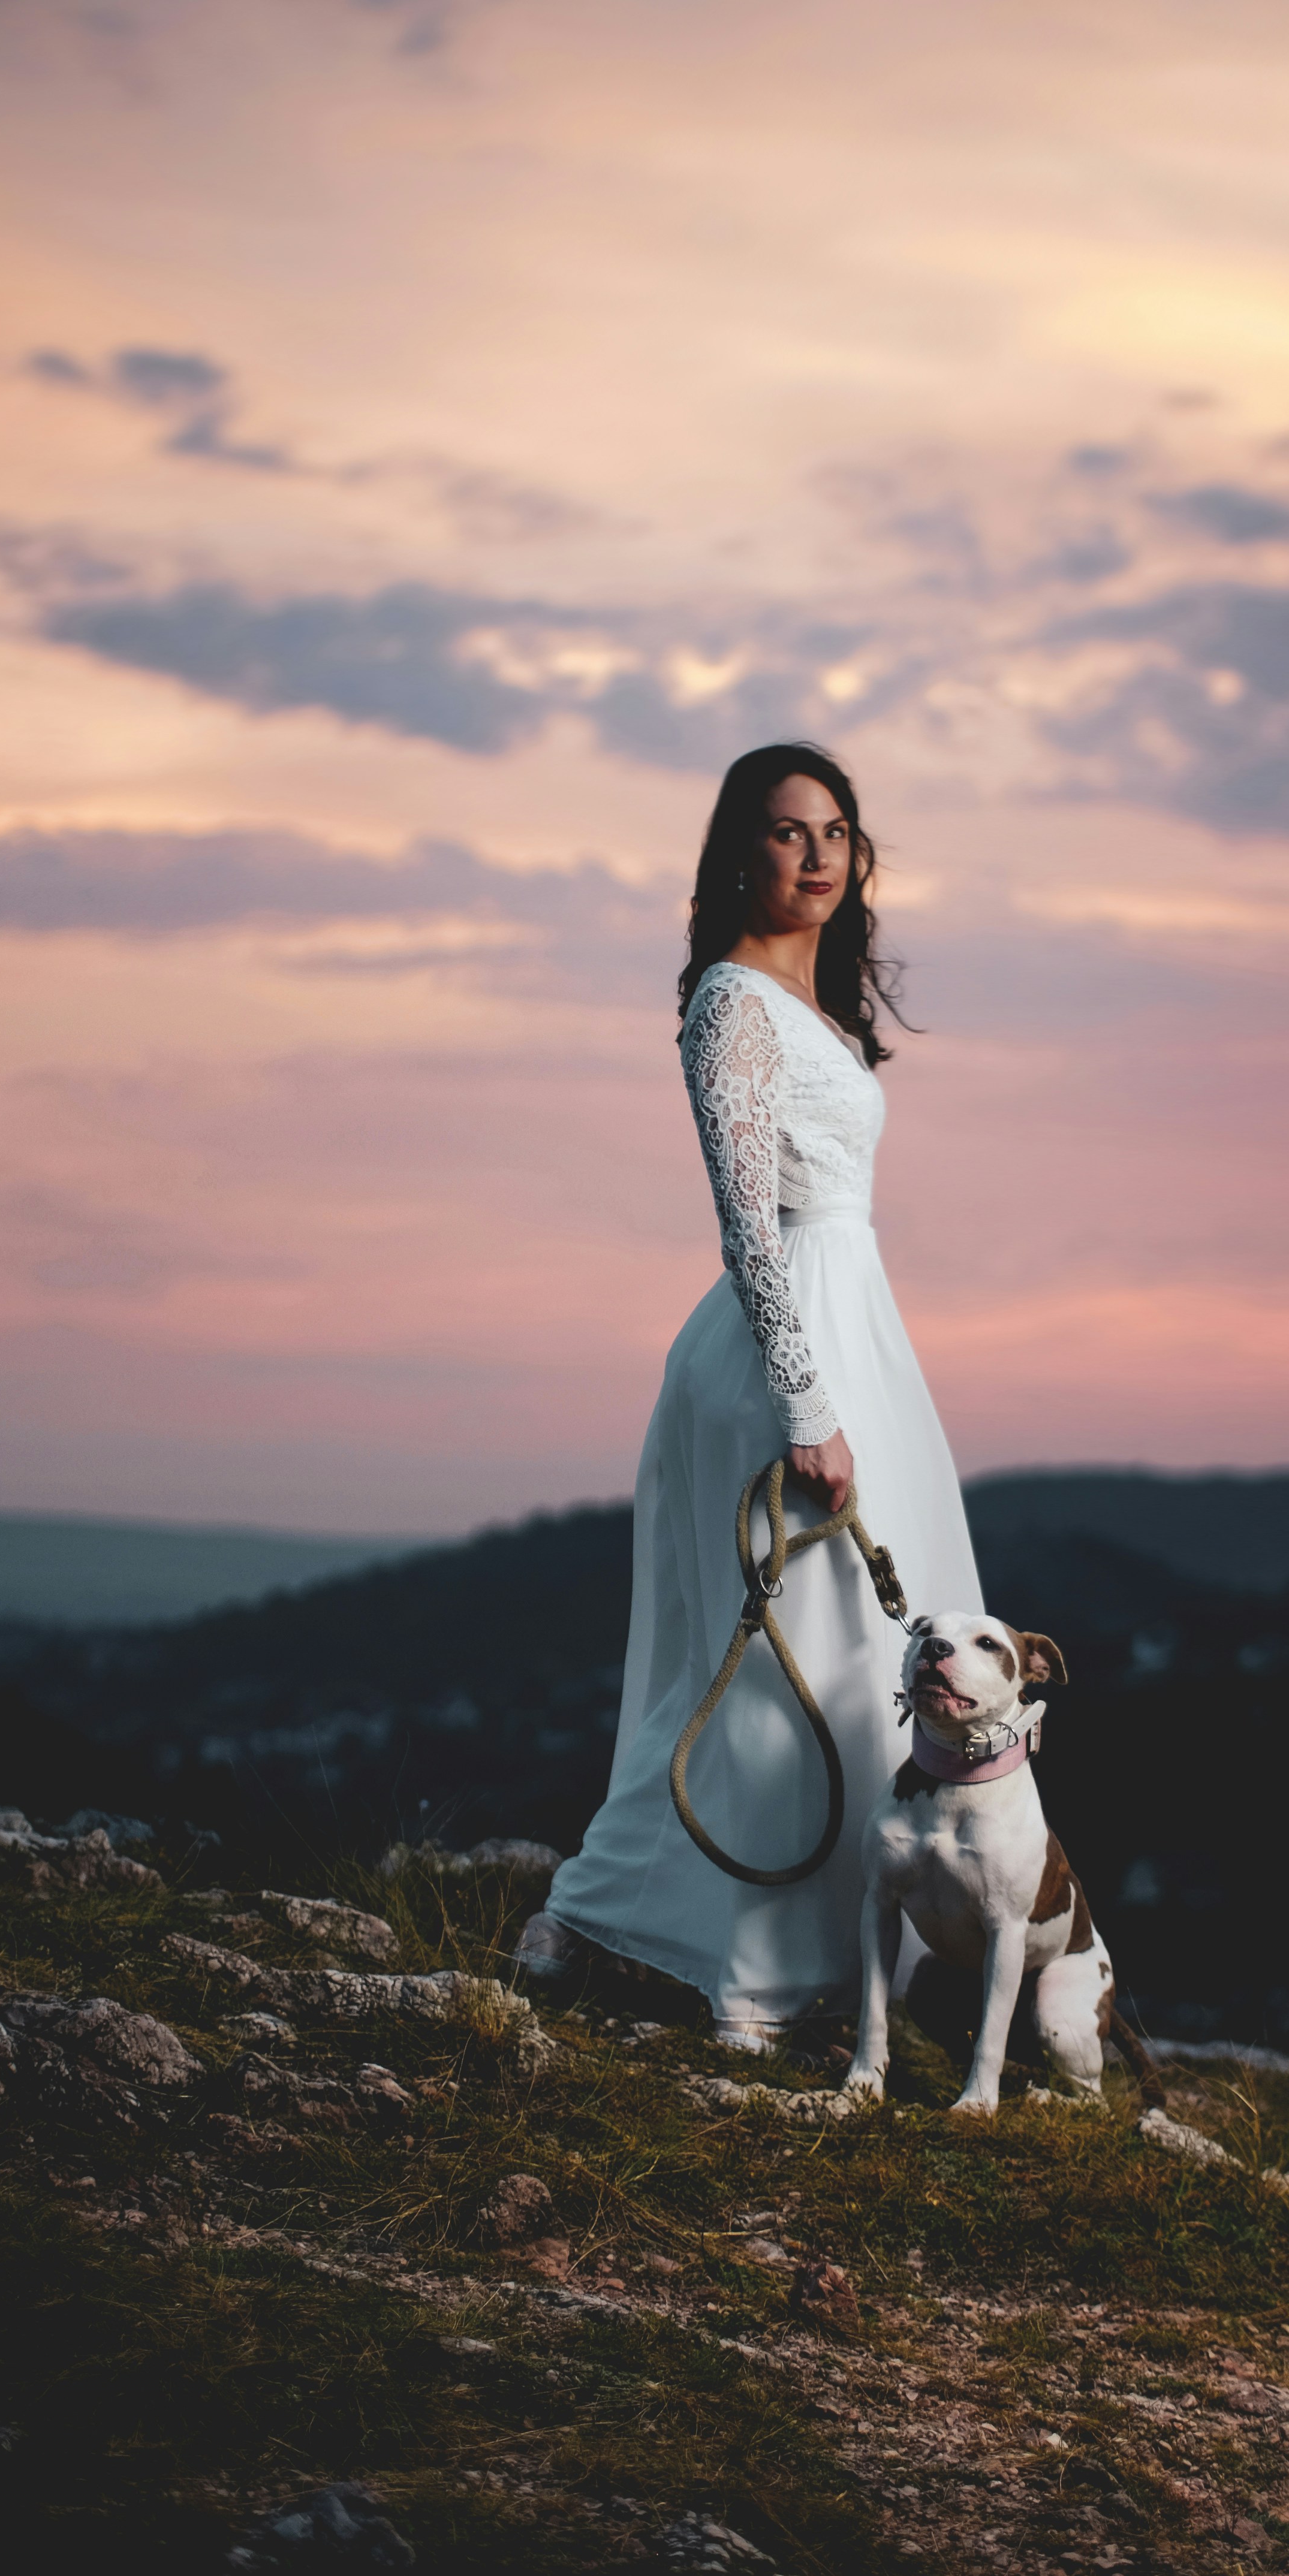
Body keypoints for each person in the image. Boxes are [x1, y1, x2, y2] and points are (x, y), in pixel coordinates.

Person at [519, 743, 984, 2047]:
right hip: (784, 1352)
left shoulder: (819, 1009)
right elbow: (747, 1225)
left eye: (838, 831)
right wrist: (805, 1406)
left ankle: (844, 1973)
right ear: (742, 853)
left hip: (857, 1321)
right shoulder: (730, 1003)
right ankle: (693, 1951)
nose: (820, 854)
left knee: (851, 1659)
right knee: (777, 1660)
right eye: (790, 833)